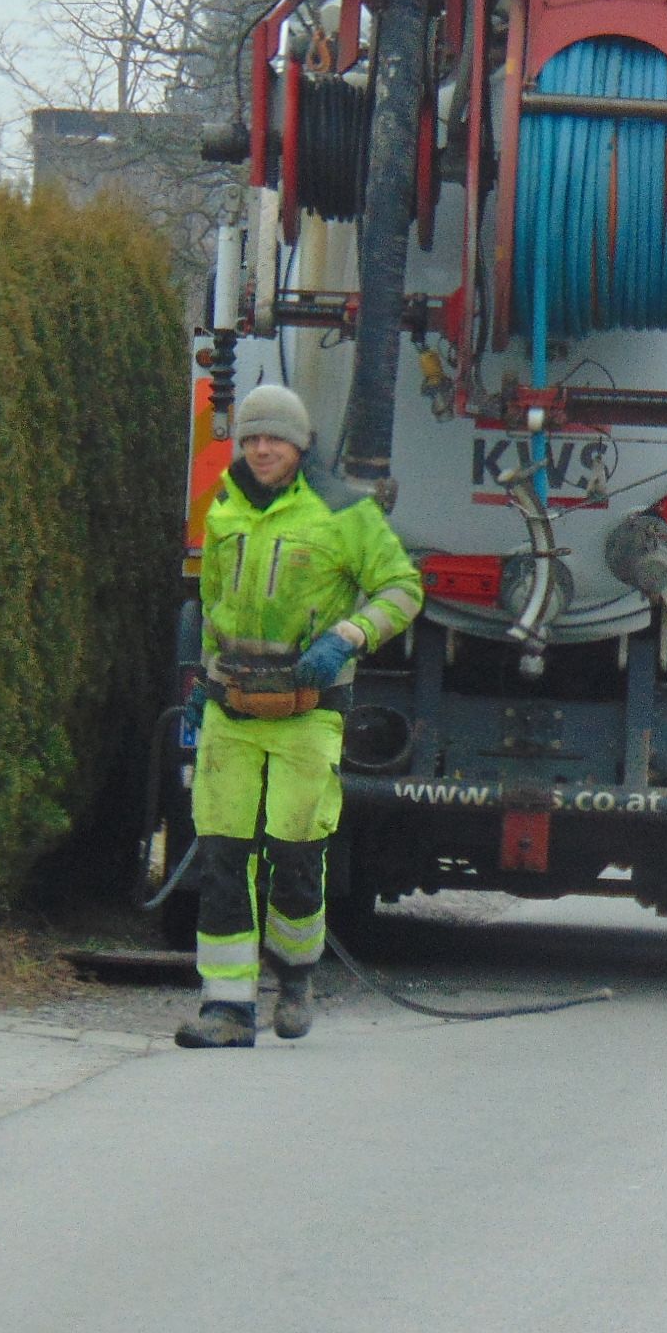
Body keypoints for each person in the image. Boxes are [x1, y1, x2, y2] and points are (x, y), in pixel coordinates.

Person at [177, 383, 422, 1049]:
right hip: (232, 707)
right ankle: (227, 1009)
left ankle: (293, 973)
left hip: (307, 711)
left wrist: (347, 637)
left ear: (301, 443)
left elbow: (403, 588)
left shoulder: (345, 512)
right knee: (223, 852)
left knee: (294, 852)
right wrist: (201, 679)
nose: (261, 448)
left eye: (274, 438)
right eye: (252, 436)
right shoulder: (224, 507)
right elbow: (211, 602)